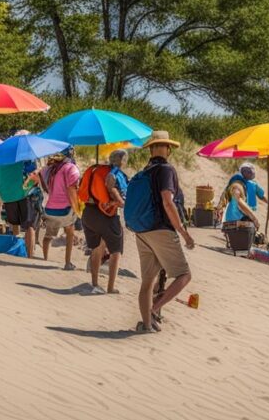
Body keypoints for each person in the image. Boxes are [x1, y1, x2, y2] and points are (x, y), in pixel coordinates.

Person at [135, 131, 195, 333]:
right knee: (184, 275)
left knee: (147, 281)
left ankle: (146, 323)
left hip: (142, 230)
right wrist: (183, 232)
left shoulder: (146, 170)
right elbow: (168, 202)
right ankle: (155, 309)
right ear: (168, 149)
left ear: (151, 149)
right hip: (161, 228)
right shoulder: (166, 170)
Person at [82, 149, 130, 295]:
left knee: (97, 248)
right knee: (116, 251)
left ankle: (95, 283)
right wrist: (121, 202)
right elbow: (112, 188)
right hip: (107, 216)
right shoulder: (115, 173)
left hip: (88, 213)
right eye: (125, 159)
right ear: (122, 160)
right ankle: (110, 287)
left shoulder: (96, 169)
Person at [34, 148, 81, 270]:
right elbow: (72, 189)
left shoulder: (50, 168)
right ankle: (67, 263)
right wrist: (77, 208)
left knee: (48, 236)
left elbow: (38, 174)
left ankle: (45, 259)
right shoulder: (71, 168)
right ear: (70, 154)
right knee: (70, 233)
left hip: (50, 209)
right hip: (65, 209)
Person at [218, 162, 267, 226]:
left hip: (244, 216)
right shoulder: (237, 181)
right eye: (245, 171)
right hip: (238, 217)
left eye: (249, 171)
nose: (247, 173)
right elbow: (232, 197)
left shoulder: (253, 184)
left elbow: (262, 196)